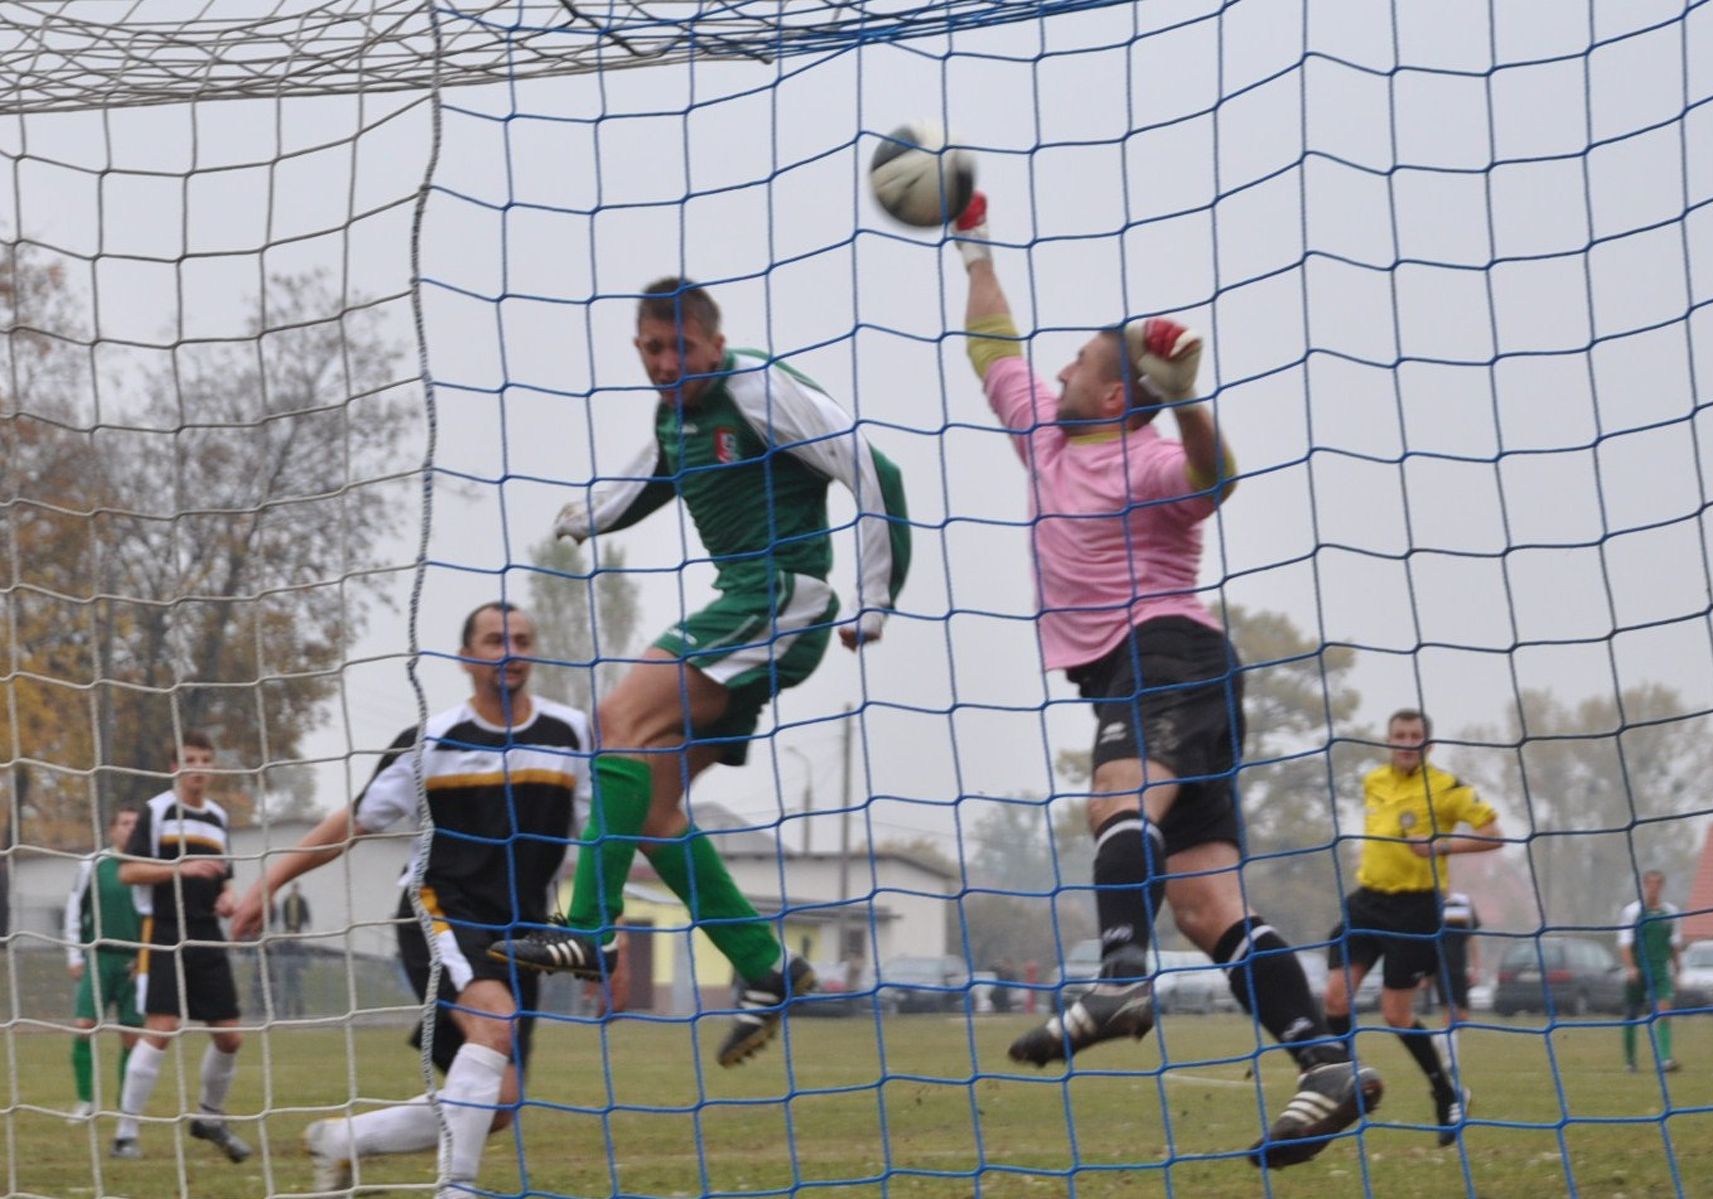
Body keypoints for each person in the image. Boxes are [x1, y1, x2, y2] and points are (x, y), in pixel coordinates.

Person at [943, 191, 1378, 1170]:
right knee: (1204, 906)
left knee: (1115, 798)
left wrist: (1184, 398)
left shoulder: (1147, 461)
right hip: (1156, 678)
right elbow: (992, 347)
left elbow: (1215, 481)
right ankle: (1327, 1066)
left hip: (1166, 654)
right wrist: (974, 248)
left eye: (1078, 363)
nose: (1057, 370)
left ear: (1113, 397)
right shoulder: (1045, 436)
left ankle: (1118, 981)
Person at [492, 276, 912, 1069]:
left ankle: (590, 930)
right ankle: (766, 965)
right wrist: (588, 518)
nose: (665, 362)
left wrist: (875, 599)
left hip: (781, 600)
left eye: (680, 347)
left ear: (714, 344)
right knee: (651, 808)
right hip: (749, 610)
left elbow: (874, 470)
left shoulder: (761, 391)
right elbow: (651, 473)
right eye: (652, 348)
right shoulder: (674, 412)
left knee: (613, 721)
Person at [231, 602, 591, 1198]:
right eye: (495, 639)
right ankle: (457, 1188)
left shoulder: (570, 733)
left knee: (500, 1103)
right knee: (495, 1024)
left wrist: (606, 928)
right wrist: (268, 883)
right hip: (440, 906)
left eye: (523, 639)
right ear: (466, 657)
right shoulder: (433, 740)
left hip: (523, 931)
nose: (511, 650)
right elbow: (352, 823)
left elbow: (603, 835)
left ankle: (344, 1139)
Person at [1320, 708, 1501, 1148]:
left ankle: (1447, 1092)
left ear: (1428, 744)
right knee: (1335, 998)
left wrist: (1440, 846)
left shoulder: (1447, 788)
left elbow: (1494, 834)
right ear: (1388, 741)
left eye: (1414, 735)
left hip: (1415, 909)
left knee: (1395, 1014)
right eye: (1398, 735)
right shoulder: (1373, 781)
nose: (1405, 742)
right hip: (1367, 902)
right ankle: (1347, 1087)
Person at [112, 730, 251, 1163]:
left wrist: (228, 897)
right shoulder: (157, 811)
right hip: (164, 929)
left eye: (206, 760)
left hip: (207, 931)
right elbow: (128, 872)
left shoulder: (218, 817)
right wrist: (180, 868)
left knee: (230, 1037)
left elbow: (223, 877)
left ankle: (209, 1118)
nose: (199, 768)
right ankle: (125, 1134)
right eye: (191, 760)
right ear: (175, 767)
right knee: (162, 1026)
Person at [63, 806, 144, 1119]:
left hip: (136, 961)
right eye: (125, 822)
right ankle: (86, 1102)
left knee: (132, 1036)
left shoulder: (149, 866)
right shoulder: (93, 864)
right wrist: (74, 954)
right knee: (84, 1026)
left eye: (136, 823)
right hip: (99, 956)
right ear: (112, 829)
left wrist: (147, 958)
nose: (130, 828)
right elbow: (75, 909)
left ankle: (127, 1108)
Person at [1618, 869, 1682, 1073]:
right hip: (1638, 970)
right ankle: (1630, 1061)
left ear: (1662, 886)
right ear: (1644, 885)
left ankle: (1665, 1060)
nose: (1654, 887)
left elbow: (1674, 943)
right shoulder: (1632, 912)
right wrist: (1631, 967)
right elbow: (1625, 943)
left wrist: (1678, 969)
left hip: (1660, 970)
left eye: (1658, 883)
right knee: (1631, 1015)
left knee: (1664, 1011)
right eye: (1650, 883)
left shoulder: (1671, 912)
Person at [1433, 890, 1480, 1070]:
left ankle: (1438, 1039)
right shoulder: (1430, 902)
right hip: (1439, 966)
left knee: (1463, 1019)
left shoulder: (1463, 901)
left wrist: (1476, 967)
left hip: (1460, 967)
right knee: (1450, 1013)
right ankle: (1451, 1061)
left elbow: (1472, 937)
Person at [273, 885, 313, 1019]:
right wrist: (279, 966)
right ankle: (285, 1013)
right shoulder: (283, 945)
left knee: (297, 992)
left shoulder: (300, 947)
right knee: (284, 992)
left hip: (295, 973)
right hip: (286, 972)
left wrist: (303, 968)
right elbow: (276, 954)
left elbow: (306, 958)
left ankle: (299, 1013)